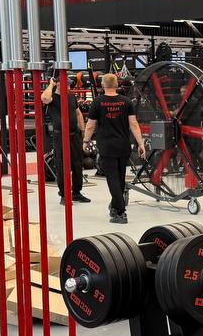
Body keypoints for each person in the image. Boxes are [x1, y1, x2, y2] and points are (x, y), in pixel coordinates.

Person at [83, 73, 147, 223]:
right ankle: (114, 206)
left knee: (112, 179)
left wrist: (85, 141)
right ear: (117, 85)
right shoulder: (126, 102)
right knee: (120, 178)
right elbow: (134, 124)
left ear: (102, 85)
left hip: (107, 146)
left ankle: (120, 212)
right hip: (123, 145)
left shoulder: (98, 102)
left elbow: (90, 125)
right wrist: (141, 143)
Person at [40, 71, 90, 204]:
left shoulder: (71, 97)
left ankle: (76, 192)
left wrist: (83, 131)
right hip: (60, 136)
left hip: (74, 135)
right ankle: (64, 194)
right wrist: (51, 84)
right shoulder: (52, 98)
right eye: (66, 84)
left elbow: (78, 114)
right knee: (62, 166)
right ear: (57, 84)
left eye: (69, 85)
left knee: (78, 164)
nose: (68, 87)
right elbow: (44, 98)